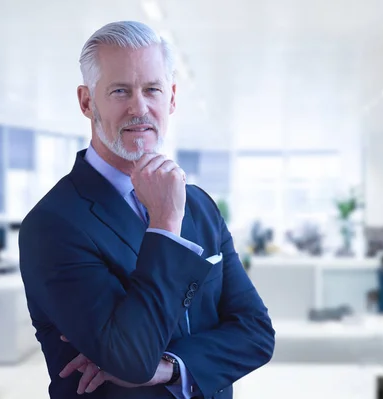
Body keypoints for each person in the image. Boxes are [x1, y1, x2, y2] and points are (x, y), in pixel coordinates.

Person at [19, 20, 275, 399]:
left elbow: (256, 333)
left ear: (171, 98)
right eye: (120, 91)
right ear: (87, 102)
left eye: (152, 90)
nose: (139, 108)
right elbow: (132, 359)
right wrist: (166, 224)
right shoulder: (54, 224)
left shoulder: (200, 205)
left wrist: (170, 368)